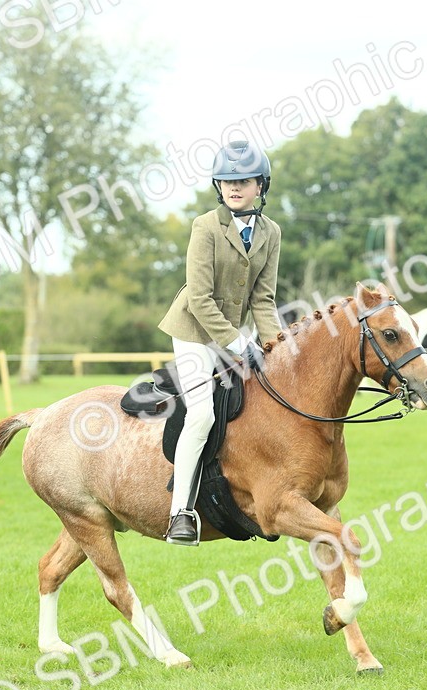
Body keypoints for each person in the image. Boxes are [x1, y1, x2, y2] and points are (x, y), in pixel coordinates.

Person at [156, 140, 283, 546]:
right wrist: (236, 341)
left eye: (242, 181)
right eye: (226, 181)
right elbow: (199, 297)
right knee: (202, 414)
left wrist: (277, 347)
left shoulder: (271, 232)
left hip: (236, 337)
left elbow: (263, 299)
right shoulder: (205, 227)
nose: (233, 187)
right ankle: (181, 513)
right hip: (195, 332)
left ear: (260, 186)